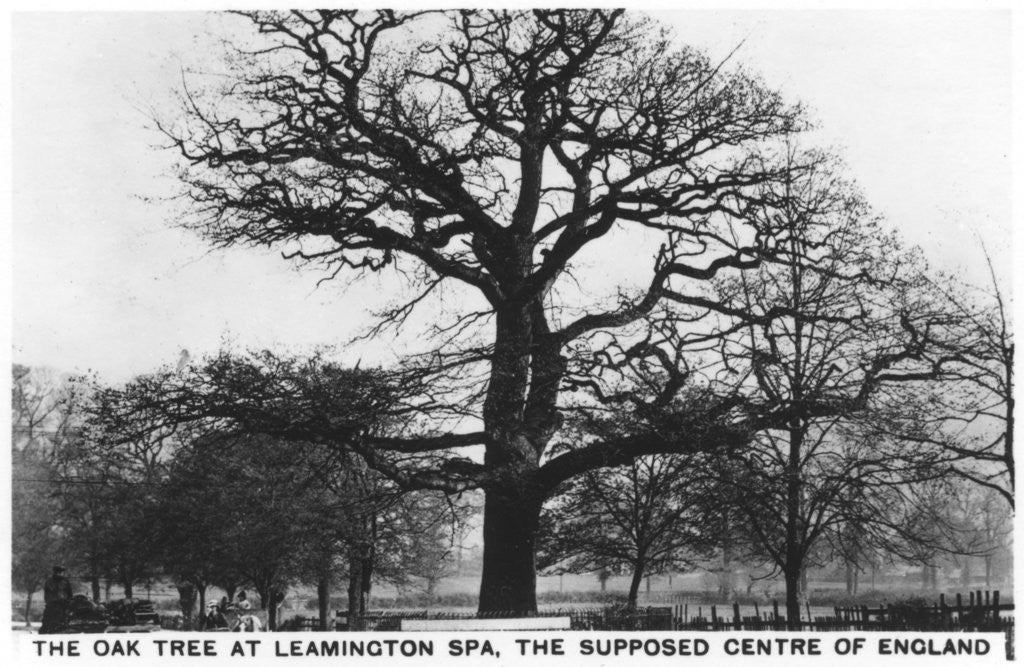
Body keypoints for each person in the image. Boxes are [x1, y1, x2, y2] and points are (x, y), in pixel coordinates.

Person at [40, 565, 73, 634]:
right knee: (47, 623)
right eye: (59, 572)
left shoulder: (65, 581)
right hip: (53, 605)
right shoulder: (49, 581)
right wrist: (48, 602)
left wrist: (68, 602)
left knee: (63, 622)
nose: (60, 574)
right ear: (55, 572)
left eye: (61, 572)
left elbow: (70, 594)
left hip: (62, 604)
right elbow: (46, 593)